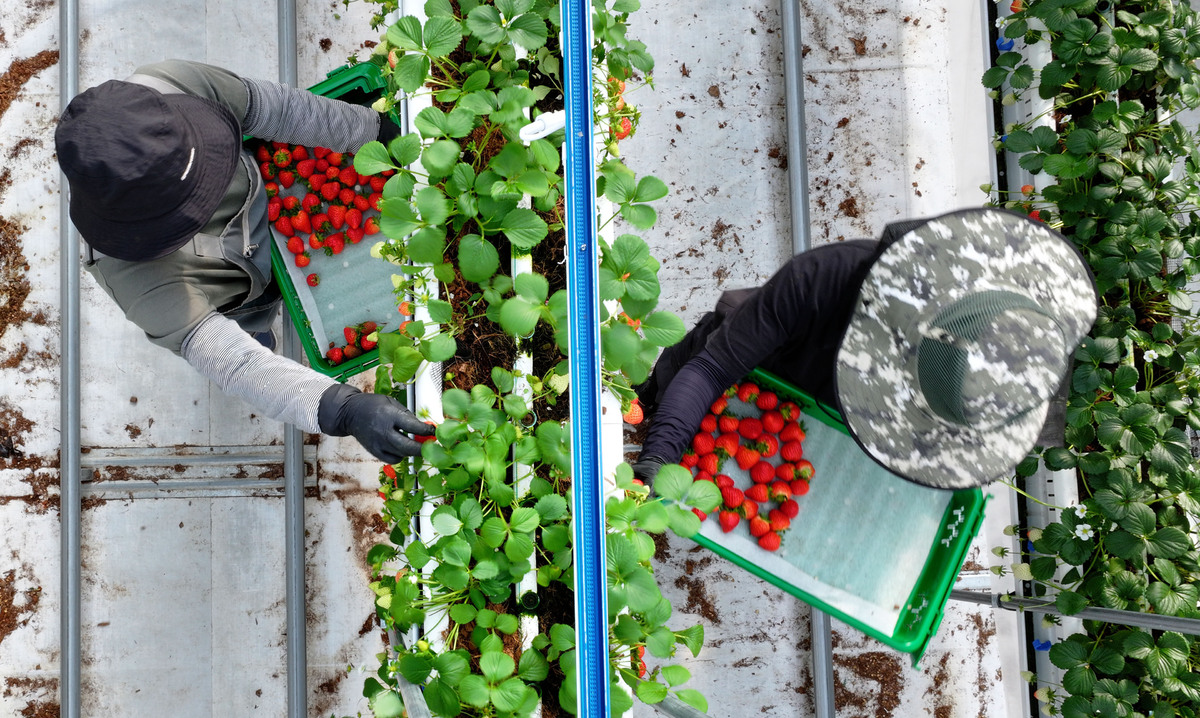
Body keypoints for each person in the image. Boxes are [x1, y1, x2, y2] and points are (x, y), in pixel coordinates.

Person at [55, 59, 431, 463]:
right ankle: (260, 329)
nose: (207, 194)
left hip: (269, 193)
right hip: (238, 296)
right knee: (253, 341)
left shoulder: (168, 86)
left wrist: (374, 132)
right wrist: (342, 409)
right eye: (192, 201)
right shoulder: (139, 281)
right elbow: (236, 363)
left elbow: (276, 109)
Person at [632, 207, 1099, 490]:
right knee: (682, 374)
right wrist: (658, 461)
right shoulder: (826, 278)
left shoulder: (1013, 375)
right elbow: (713, 369)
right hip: (769, 355)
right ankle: (646, 398)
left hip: (801, 426)